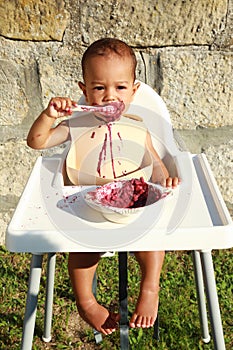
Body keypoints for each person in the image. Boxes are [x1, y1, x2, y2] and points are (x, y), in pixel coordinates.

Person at [27, 38, 180, 335]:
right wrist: (49, 116)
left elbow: (154, 161)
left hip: (132, 205)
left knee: (153, 245)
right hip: (86, 207)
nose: (109, 96)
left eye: (120, 88)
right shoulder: (77, 124)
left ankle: (150, 288)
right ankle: (87, 303)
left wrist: (164, 179)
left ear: (134, 91)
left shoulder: (137, 125)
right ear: (84, 90)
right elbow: (37, 142)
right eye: (99, 88)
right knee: (83, 255)